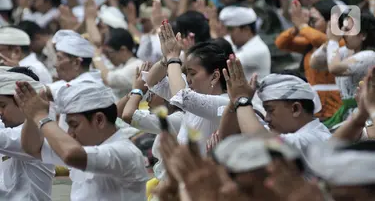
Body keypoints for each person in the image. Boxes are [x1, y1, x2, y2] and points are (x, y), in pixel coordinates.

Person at [17, 81, 149, 201]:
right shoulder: (84, 147)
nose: (70, 133)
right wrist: (31, 117)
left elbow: (71, 155)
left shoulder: (125, 152)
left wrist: (41, 116)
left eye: (74, 125)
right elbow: (32, 147)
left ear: (99, 120)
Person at [219, 56, 331, 171]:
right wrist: (234, 101)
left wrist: (241, 99)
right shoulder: (285, 133)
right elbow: (227, 140)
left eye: (270, 110)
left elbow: (260, 146)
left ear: (296, 109)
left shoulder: (313, 138)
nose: (267, 118)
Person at [145, 21, 229, 155]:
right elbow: (152, 81)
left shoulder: (224, 103)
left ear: (214, 76)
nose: (188, 79)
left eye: (193, 73)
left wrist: (173, 58)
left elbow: (182, 97)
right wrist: (166, 59)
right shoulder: (192, 93)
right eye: (186, 73)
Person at [119, 62, 183, 200]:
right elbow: (117, 112)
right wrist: (135, 89)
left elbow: (127, 115)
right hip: (162, 181)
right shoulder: (165, 116)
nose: (146, 99)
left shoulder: (179, 119)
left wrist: (138, 90)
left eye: (150, 94)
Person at [276, 0, 343, 121]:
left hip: (336, 108)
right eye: (309, 20)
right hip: (312, 106)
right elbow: (281, 43)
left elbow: (322, 40)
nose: (310, 24)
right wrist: (297, 27)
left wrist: (302, 26)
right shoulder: (309, 43)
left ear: (330, 22)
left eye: (314, 20)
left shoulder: (342, 43)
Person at [311, 12, 375, 128]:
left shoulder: (370, 56)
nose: (343, 34)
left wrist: (334, 41)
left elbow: (334, 68)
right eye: (342, 29)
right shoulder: (346, 52)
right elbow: (315, 63)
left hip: (366, 116)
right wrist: (328, 41)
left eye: (348, 30)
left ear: (363, 35)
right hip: (348, 114)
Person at [0, 67, 54, 201]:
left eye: (2, 105)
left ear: (24, 103)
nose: (0, 112)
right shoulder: (9, 130)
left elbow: (5, 139)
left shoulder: (38, 132)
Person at [219, 6, 271, 80]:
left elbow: (224, 63)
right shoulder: (238, 42)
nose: (229, 33)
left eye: (231, 29)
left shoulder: (258, 49)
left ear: (246, 29)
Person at [92, 28, 144, 100]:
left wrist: (96, 57)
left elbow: (109, 79)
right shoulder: (121, 65)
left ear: (123, 50)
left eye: (110, 52)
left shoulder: (137, 66)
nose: (109, 57)